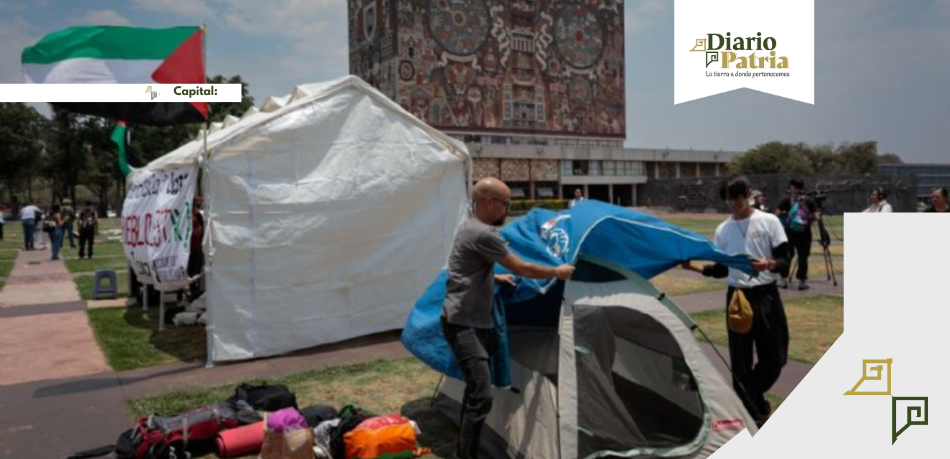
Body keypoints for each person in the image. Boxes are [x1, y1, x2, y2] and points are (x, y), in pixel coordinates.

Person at [442, 177, 574, 459]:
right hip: (464, 323)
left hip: (464, 318)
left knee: (475, 390)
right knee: (481, 395)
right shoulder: (484, 234)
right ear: (489, 202)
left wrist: (494, 276)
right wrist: (556, 272)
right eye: (506, 203)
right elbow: (523, 267)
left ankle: (464, 451)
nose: (508, 209)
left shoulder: (469, 226)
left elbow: (466, 266)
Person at [681, 175, 790, 427]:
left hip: (766, 295)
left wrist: (770, 263)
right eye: (731, 202)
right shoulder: (723, 230)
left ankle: (748, 399)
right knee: (740, 363)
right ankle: (756, 414)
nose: (735, 206)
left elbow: (785, 261)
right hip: (737, 298)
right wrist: (695, 268)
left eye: (739, 200)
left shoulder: (769, 222)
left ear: (749, 194)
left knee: (775, 358)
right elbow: (722, 269)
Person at [775, 179, 820, 291]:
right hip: (805, 233)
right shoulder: (810, 201)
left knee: (787, 255)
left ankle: (783, 280)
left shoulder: (787, 200)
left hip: (789, 233)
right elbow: (816, 218)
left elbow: (776, 215)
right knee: (803, 257)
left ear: (793, 187)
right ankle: (802, 282)